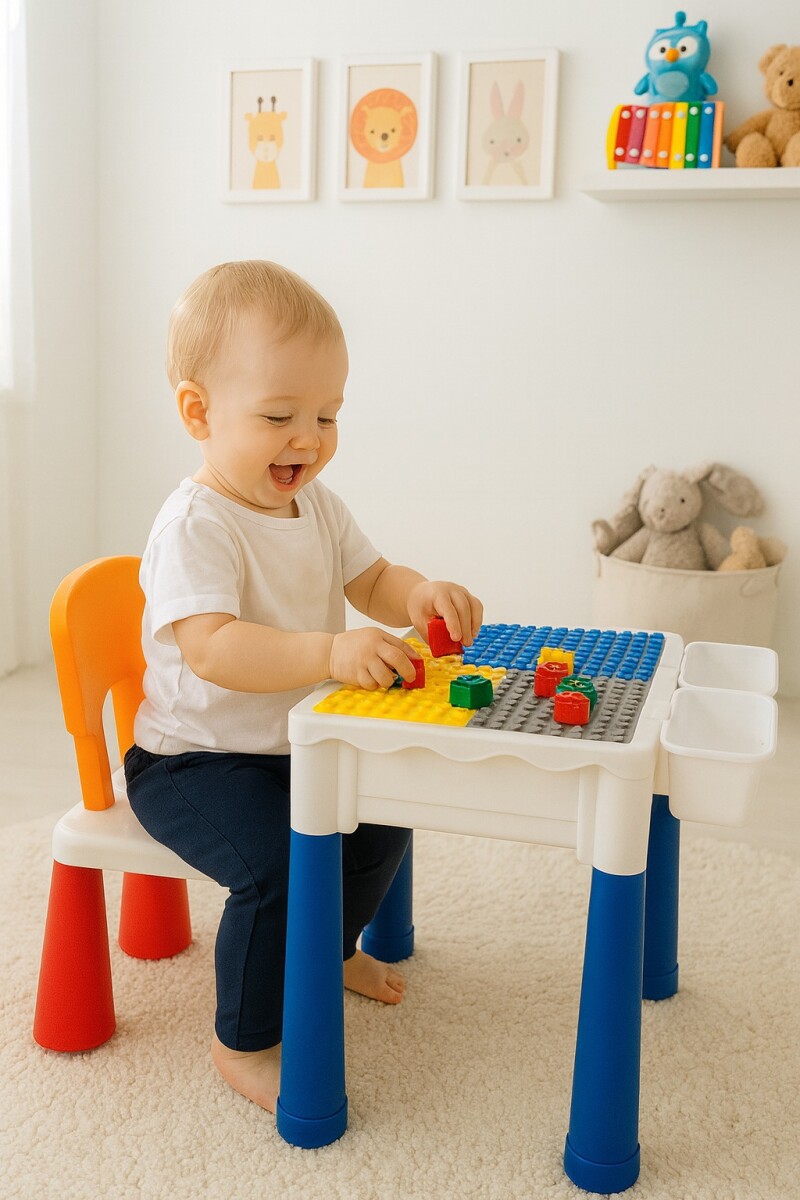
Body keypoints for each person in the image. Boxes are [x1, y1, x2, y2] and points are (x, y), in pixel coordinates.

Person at [124, 260, 484, 1115]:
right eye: (279, 416)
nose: (309, 440)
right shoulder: (196, 524)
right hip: (192, 762)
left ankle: (330, 947)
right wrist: (330, 651)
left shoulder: (317, 506)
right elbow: (213, 649)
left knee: (380, 815)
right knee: (280, 866)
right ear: (199, 413)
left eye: (327, 416)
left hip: (295, 743)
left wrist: (419, 595)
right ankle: (244, 1041)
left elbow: (374, 578)